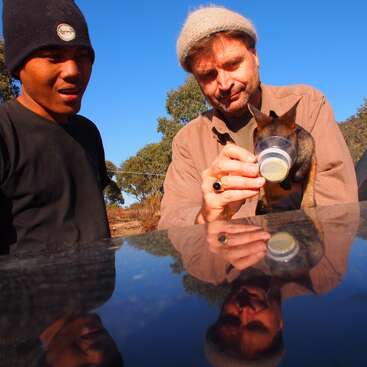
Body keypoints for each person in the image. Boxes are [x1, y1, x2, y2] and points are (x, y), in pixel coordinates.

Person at [158, 6, 357, 229]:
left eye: (232, 64)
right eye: (208, 75)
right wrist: (205, 217)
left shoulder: (308, 105)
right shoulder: (188, 142)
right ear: (197, 81)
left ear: (255, 56)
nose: (224, 84)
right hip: (229, 262)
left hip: (307, 260)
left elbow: (339, 209)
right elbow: (171, 226)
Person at [0, 0, 110, 250]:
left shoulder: (88, 133)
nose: (73, 70)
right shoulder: (5, 132)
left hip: (101, 288)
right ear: (18, 66)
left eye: (82, 56)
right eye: (53, 57)